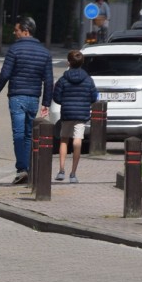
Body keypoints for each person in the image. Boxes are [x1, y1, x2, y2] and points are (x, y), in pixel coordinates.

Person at [0, 16, 54, 185]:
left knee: (18, 134)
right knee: (28, 134)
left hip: (17, 96)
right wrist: (46, 102)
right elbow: (48, 80)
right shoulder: (44, 52)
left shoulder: (14, 50)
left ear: (26, 31)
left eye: (17, 30)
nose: (14, 32)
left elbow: (5, 74)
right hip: (34, 97)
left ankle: (22, 169)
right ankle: (28, 168)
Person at [51, 49, 98, 184]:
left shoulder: (63, 79)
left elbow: (57, 97)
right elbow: (93, 97)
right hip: (81, 114)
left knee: (64, 140)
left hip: (67, 113)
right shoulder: (88, 80)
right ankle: (73, 173)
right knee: (77, 141)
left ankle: (61, 170)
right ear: (82, 63)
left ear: (68, 62)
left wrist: (65, 102)